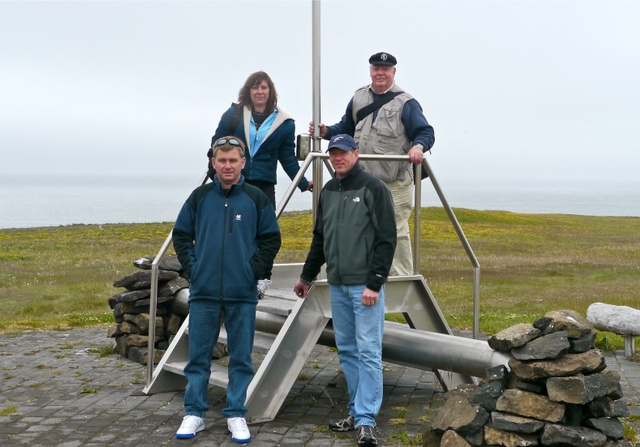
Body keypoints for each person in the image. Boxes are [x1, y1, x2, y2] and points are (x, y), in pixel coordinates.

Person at [173, 136, 282, 442]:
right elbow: (181, 235)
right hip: (204, 293)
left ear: (243, 163)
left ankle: (236, 414)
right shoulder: (199, 197)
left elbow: (271, 239)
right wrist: (195, 270)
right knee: (198, 356)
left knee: (241, 358)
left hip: (241, 293)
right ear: (213, 163)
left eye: (233, 160)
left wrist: (252, 271)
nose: (227, 165)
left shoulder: (256, 198)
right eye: (222, 160)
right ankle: (194, 413)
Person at [293, 134, 397, 446]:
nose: (337, 158)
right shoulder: (327, 190)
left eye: (342, 153)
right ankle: (355, 410)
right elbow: (320, 239)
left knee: (368, 350)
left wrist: (375, 282)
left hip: (364, 286)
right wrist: (306, 277)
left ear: (356, 153)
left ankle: (366, 420)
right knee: (349, 351)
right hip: (337, 284)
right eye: (333, 154)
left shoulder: (373, 188)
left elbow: (386, 238)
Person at [309, 52, 434, 276]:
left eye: (385, 69)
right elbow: (346, 127)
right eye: (376, 68)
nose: (380, 73)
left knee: (394, 230)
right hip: (363, 182)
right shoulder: (358, 98)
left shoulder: (407, 102)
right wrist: (326, 132)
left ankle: (402, 280)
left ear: (393, 73)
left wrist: (418, 147)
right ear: (370, 71)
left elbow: (425, 131)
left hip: (394, 182)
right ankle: (367, 276)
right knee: (361, 228)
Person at [211, 71, 311, 296]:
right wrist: (217, 171)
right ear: (248, 90)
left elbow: (287, 158)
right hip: (235, 183)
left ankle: (262, 278)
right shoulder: (234, 114)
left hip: (264, 185)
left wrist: (303, 183)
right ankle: (229, 275)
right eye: (255, 87)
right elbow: (216, 143)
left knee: (266, 232)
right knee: (231, 230)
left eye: (264, 87)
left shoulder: (284, 123)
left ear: (270, 92)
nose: (259, 92)